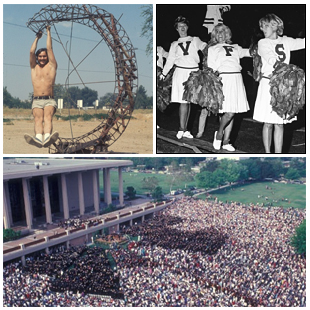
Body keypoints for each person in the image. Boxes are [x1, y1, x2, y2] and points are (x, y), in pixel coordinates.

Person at [252, 14, 305, 153]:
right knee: (268, 122)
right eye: (262, 27)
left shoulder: (286, 41)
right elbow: (270, 58)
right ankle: (268, 153)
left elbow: (304, 42)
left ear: (275, 26)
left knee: (280, 123)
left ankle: (278, 153)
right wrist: (286, 70)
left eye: (266, 26)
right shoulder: (262, 42)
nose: (263, 29)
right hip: (268, 83)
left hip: (283, 85)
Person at [159, 16, 207, 139]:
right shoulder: (174, 44)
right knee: (183, 101)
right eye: (180, 26)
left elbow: (205, 48)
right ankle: (181, 129)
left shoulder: (195, 39)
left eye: (184, 26)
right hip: (180, 72)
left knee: (190, 101)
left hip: (193, 73)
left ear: (187, 27)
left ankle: (186, 130)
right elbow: (170, 60)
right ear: (176, 29)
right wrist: (164, 74)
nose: (182, 28)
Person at [208, 24, 250, 151]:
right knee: (228, 111)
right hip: (224, 79)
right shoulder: (213, 49)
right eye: (218, 32)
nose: (221, 34)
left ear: (228, 34)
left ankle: (226, 142)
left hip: (237, 78)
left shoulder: (236, 47)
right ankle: (220, 134)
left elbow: (250, 52)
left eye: (224, 32)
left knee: (233, 111)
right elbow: (212, 66)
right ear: (215, 35)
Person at [25, 25, 58, 148]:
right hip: (37, 100)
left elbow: (50, 48)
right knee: (38, 119)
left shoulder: (52, 66)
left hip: (49, 99)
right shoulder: (34, 67)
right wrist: (37, 38)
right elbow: (31, 52)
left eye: (44, 56)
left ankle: (48, 137)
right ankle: (39, 139)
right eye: (40, 56)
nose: (42, 58)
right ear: (37, 58)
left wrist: (48, 32)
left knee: (47, 117)